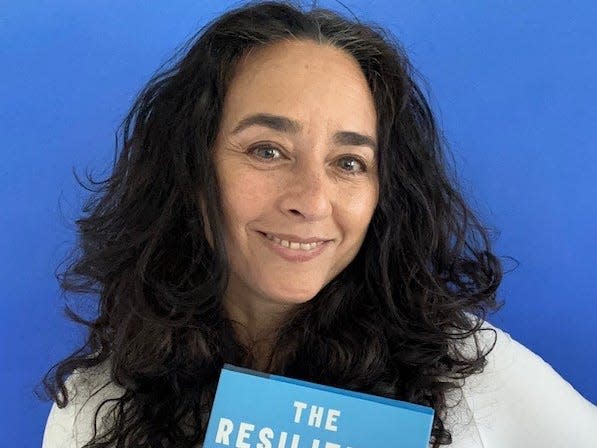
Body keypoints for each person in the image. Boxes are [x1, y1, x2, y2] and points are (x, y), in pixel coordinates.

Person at [39, 1, 596, 447]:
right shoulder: (96, 401)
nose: (311, 199)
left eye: (349, 163)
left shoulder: (470, 376)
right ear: (189, 169)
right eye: (267, 151)